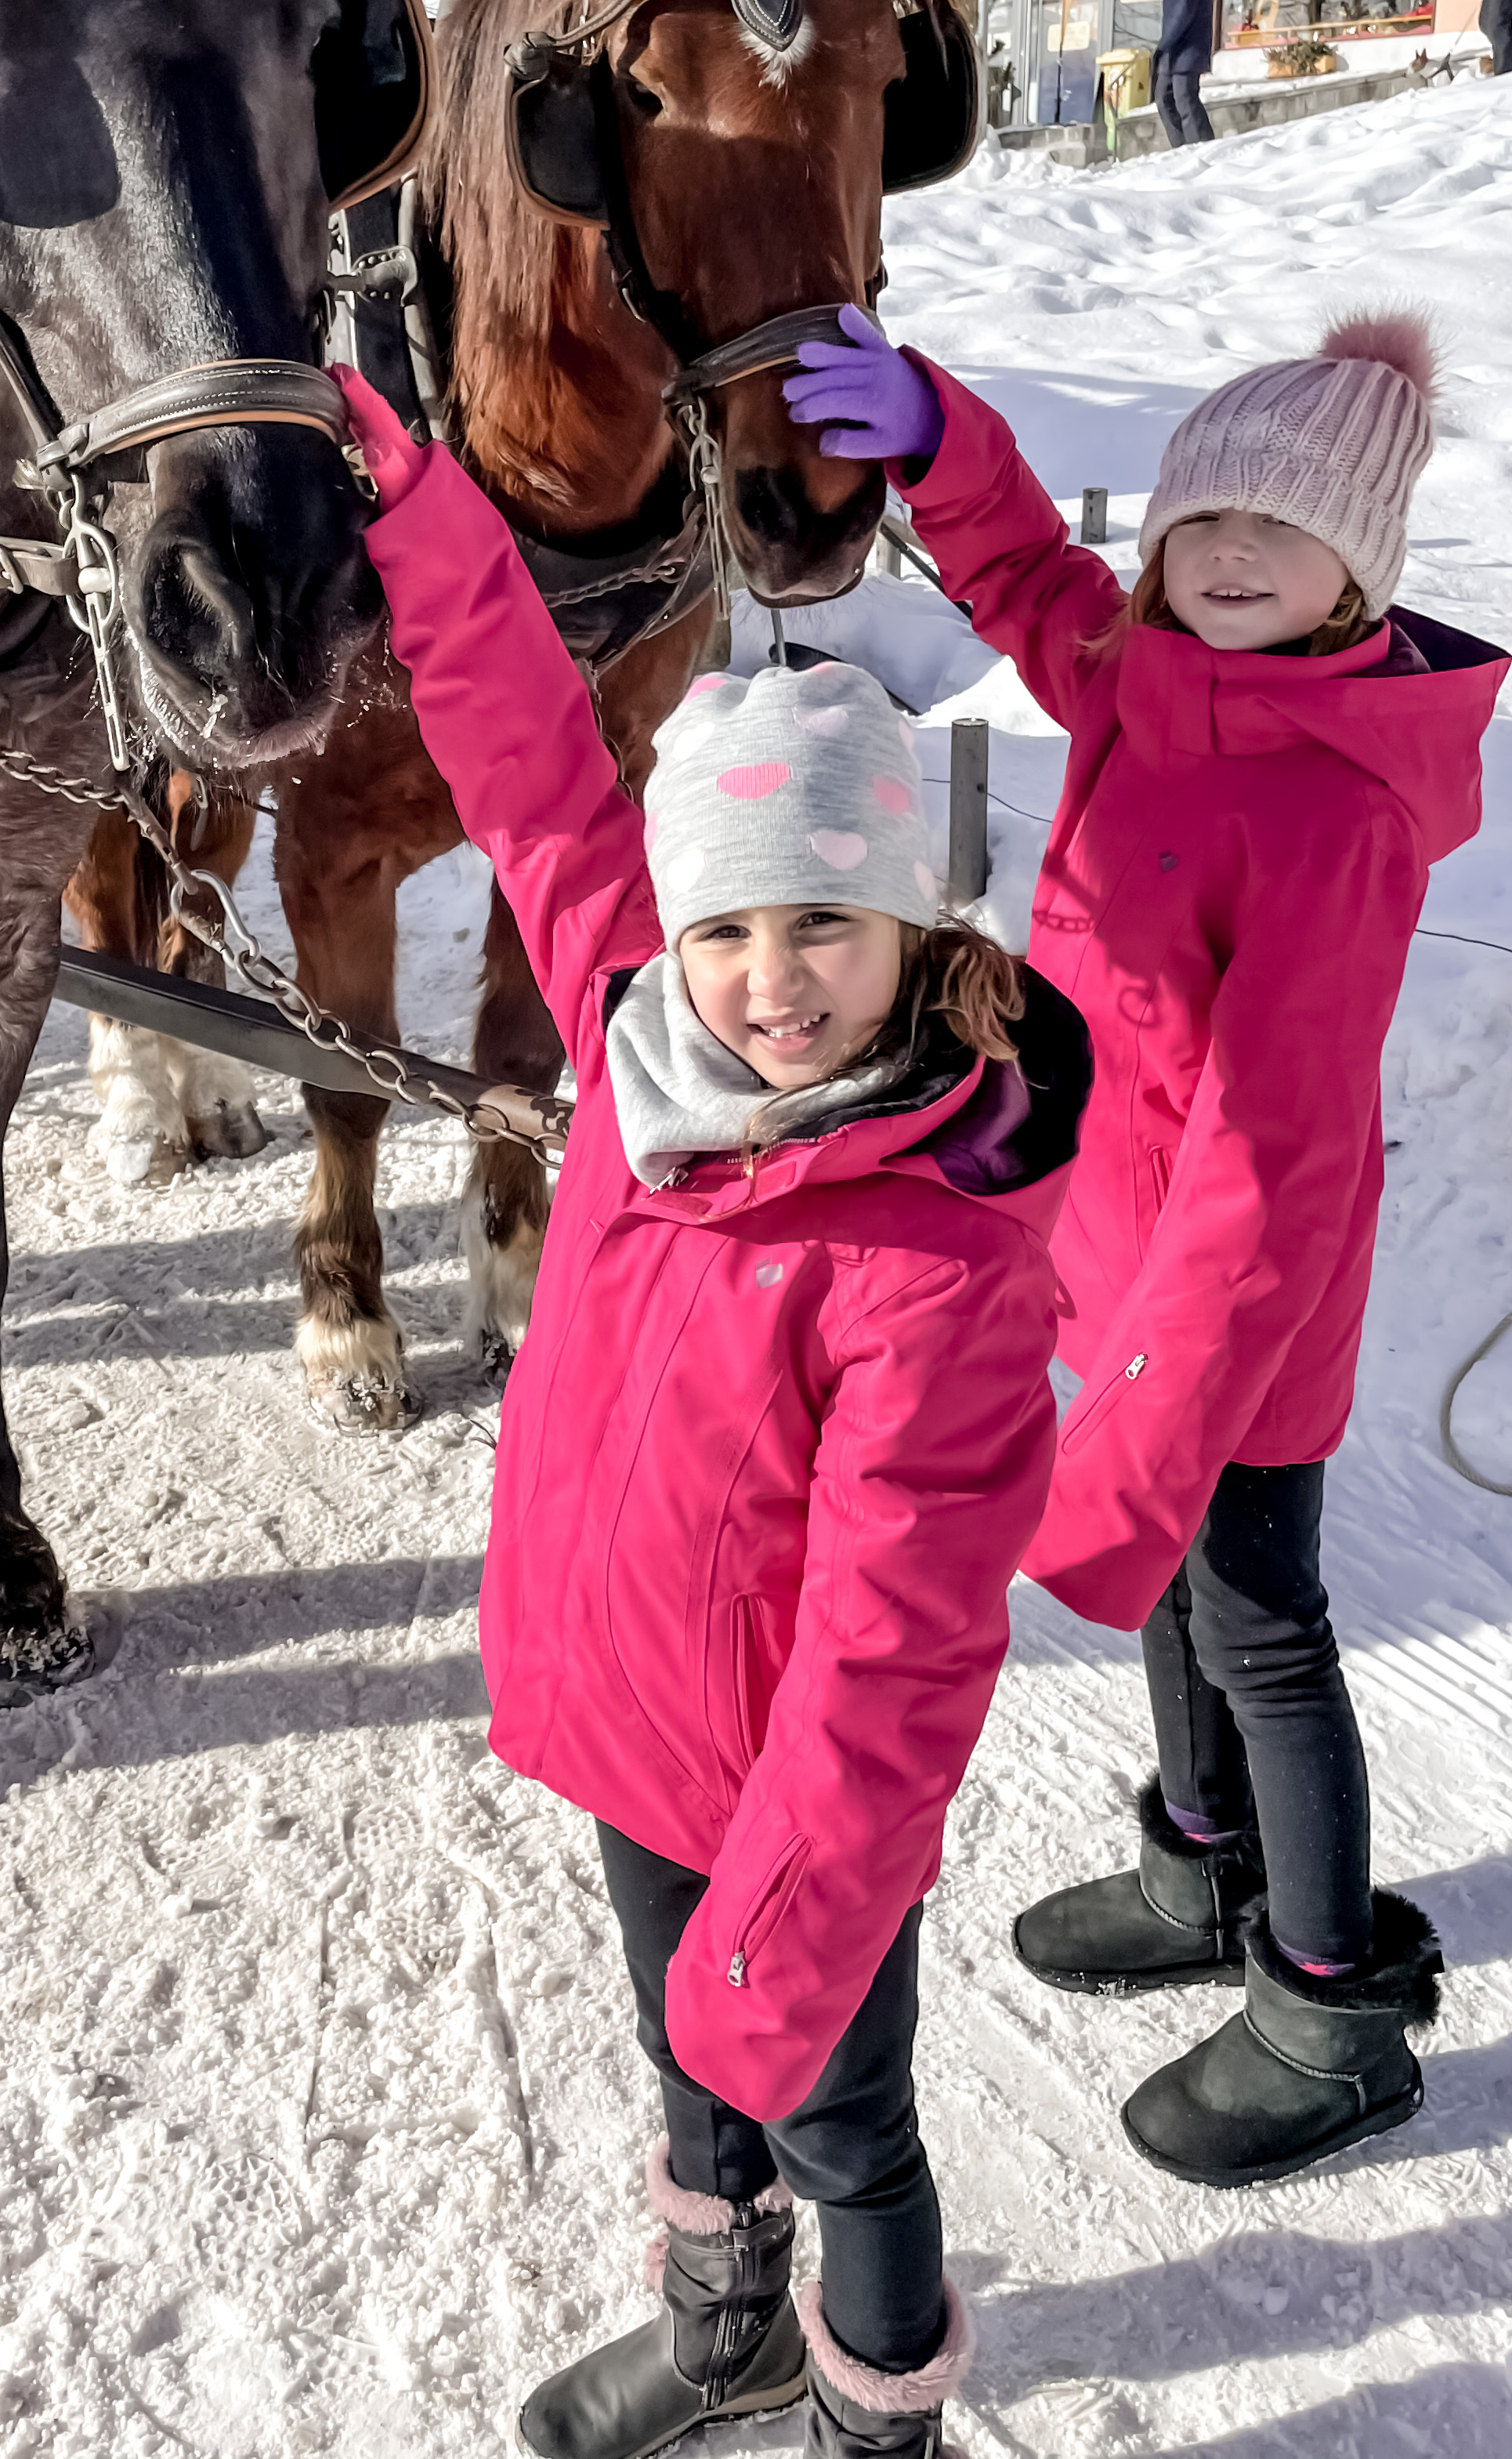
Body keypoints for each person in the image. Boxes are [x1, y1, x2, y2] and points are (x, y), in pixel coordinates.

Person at [336, 368, 1093, 2459]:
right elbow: (520, 747)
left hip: (797, 1809)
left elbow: (901, 1650)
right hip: (628, 1727)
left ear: (915, 930)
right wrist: (407, 493)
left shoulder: (931, 1250)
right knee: (691, 2074)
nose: (771, 980)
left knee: (846, 2120)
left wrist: (793, 1900)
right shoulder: (629, 1032)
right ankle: (724, 2322)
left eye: (827, 926)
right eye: (732, 927)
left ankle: (881, 2414)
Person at [784, 306, 1510, 2190]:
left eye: (1282, 535)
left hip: (1233, 1319)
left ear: (1365, 570)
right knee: (1185, 1602)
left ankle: (1332, 2000)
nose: (1231, 560)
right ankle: (1199, 1867)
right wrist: (939, 427)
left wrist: (1151, 1408)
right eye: (1202, 528)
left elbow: (1272, 1162)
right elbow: (1026, 569)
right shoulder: (1139, 671)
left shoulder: (1338, 810)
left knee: (1261, 1622)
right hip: (1111, 1273)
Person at [1152, 0, 1222, 147]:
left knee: (1184, 98)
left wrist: (1164, 44)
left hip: (1185, 48)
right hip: (1174, 50)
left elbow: (1184, 10)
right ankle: (1181, 148)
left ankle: (1202, 147)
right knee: (1164, 98)